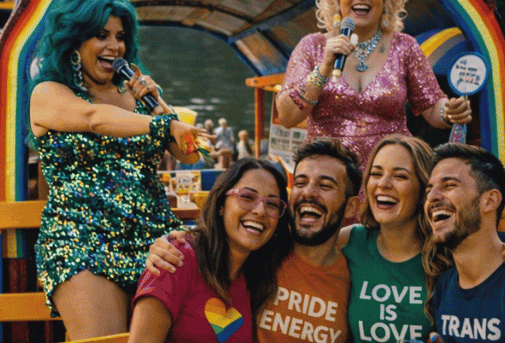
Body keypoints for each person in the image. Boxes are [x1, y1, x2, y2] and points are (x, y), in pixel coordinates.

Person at [29, 0, 203, 339]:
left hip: (153, 239)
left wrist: (158, 103)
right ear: (74, 41)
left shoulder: (139, 102)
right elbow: (95, 119)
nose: (114, 46)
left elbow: (190, 153)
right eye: (100, 35)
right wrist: (163, 124)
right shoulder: (48, 94)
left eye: (120, 36)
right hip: (81, 238)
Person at [275, 0, 472, 171]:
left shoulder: (405, 47)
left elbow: (431, 105)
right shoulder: (312, 47)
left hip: (389, 175)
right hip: (329, 177)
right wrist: (324, 68)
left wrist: (448, 111)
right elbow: (287, 117)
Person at [147, 137, 362, 343]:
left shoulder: (356, 275)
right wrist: (170, 243)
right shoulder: (263, 254)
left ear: (351, 206)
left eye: (325, 186)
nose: (308, 192)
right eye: (300, 182)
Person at [129, 158, 293, 343]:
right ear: (221, 204)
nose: (261, 210)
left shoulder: (256, 275)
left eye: (272, 204)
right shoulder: (175, 259)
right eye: (247, 197)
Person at [339, 134, 434, 343]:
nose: (383, 184)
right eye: (375, 173)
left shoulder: (444, 255)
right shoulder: (348, 241)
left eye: (400, 176)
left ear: (423, 191)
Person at [424, 143, 505, 343]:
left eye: (449, 186)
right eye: (429, 190)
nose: (432, 197)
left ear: (490, 201)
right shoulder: (444, 285)